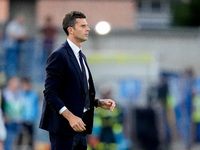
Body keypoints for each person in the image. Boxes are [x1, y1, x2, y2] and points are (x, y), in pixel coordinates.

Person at [39, 11, 116, 150]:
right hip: (64, 129)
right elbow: (50, 94)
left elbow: (76, 92)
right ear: (71, 30)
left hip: (81, 129)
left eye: (87, 25)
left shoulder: (81, 57)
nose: (88, 29)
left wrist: (97, 102)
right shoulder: (59, 55)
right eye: (83, 26)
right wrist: (70, 117)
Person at [1, 77, 23, 150]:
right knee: (7, 141)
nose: (17, 84)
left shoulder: (19, 94)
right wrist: (5, 115)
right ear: (10, 83)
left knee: (14, 142)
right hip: (7, 122)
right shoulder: (4, 93)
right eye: (15, 82)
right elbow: (2, 107)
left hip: (17, 121)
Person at [17, 77, 39, 150]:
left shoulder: (34, 95)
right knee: (19, 137)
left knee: (31, 138)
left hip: (31, 120)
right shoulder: (20, 94)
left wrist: (34, 117)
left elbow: (36, 107)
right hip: (21, 120)